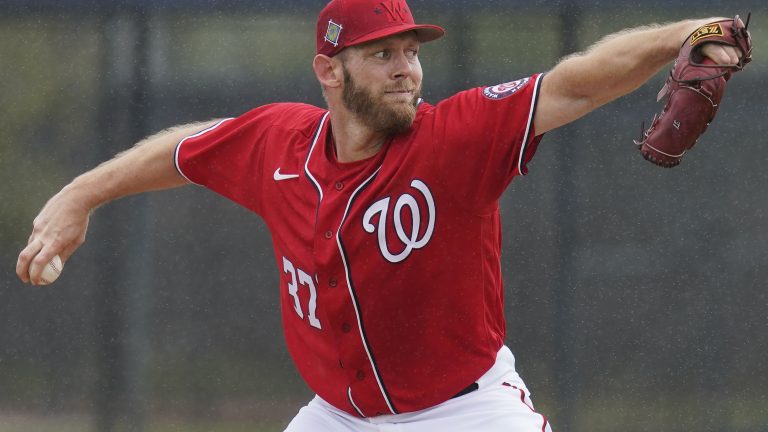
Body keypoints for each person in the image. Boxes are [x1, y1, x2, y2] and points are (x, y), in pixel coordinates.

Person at [16, 0, 746, 430]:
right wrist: (80, 196)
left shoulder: (455, 138)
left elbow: (578, 81)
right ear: (328, 72)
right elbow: (183, 150)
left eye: (411, 51)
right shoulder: (279, 143)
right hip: (338, 416)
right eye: (382, 54)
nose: (407, 68)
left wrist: (682, 34)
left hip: (463, 413)